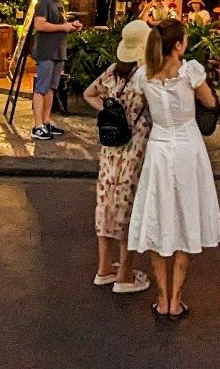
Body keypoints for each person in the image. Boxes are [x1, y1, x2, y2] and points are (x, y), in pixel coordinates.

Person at [128, 19, 220, 319]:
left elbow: (140, 102)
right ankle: (176, 300)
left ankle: (162, 297)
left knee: (159, 217)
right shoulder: (190, 71)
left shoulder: (144, 74)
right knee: (184, 219)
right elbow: (209, 100)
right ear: (179, 44)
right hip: (187, 147)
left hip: (159, 147)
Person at [83, 20, 153, 294]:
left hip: (110, 148)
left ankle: (104, 269)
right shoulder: (144, 76)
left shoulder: (113, 71)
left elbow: (89, 93)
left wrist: (107, 112)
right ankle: (124, 274)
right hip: (135, 148)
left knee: (106, 203)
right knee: (128, 206)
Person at [30, 0, 82, 141]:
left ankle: (46, 121)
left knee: (52, 88)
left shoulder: (59, 4)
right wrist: (62, 26)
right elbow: (39, 25)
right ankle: (38, 125)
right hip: (46, 51)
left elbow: (60, 26)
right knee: (41, 88)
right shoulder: (44, 2)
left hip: (58, 51)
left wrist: (71, 27)